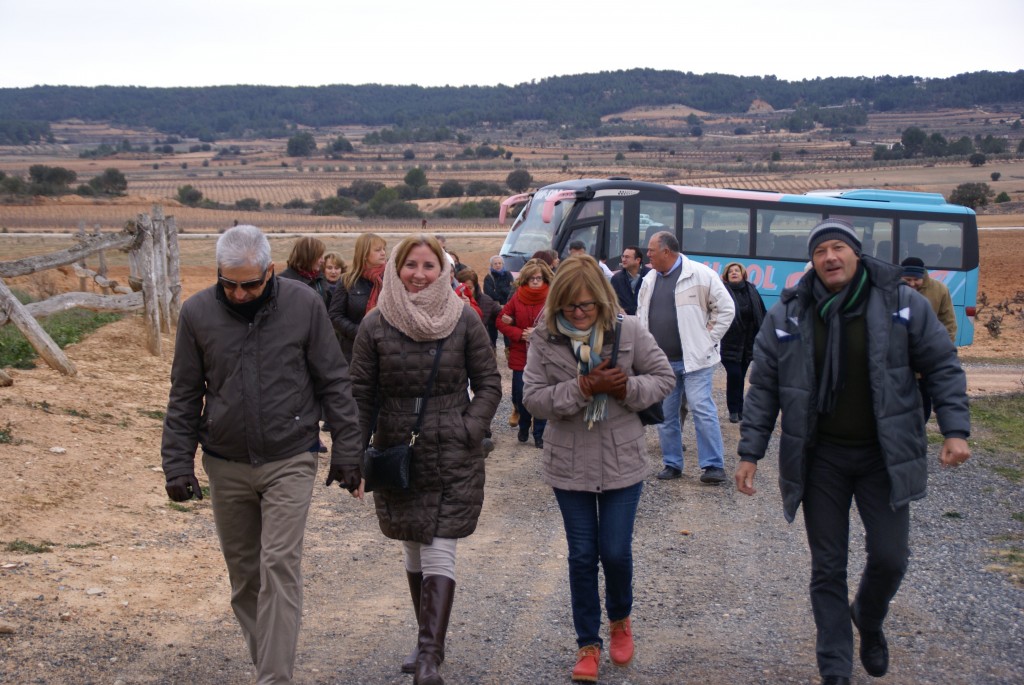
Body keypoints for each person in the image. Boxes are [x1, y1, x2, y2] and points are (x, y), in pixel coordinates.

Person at [735, 219, 971, 685]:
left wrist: (955, 429)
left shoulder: (902, 303)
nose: (829, 257)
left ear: (857, 253)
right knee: (828, 567)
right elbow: (763, 386)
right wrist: (750, 452)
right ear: (812, 261)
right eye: (820, 250)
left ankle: (868, 615)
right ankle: (835, 670)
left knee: (890, 558)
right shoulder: (790, 313)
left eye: (838, 247)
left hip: (883, 456)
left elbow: (942, 364)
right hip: (821, 458)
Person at [161, 224, 363, 684]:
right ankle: (270, 665)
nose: (237, 293)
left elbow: (334, 380)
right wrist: (176, 462)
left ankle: (273, 678)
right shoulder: (195, 313)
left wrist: (348, 451)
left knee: (278, 565)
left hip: (290, 455)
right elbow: (185, 394)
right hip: (225, 461)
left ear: (270, 271)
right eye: (227, 283)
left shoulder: (304, 304)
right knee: (246, 579)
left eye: (250, 283)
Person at [349, 234, 501, 685]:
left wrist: (468, 428)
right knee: (413, 542)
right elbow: (360, 396)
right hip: (398, 449)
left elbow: (490, 383)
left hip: (453, 451)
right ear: (396, 270)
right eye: (409, 265)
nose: (418, 274)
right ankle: (425, 639)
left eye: (428, 266)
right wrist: (354, 455)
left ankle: (430, 657)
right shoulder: (374, 325)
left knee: (438, 544)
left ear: (443, 270)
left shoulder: (464, 319)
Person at [523, 255, 674, 683]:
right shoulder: (544, 339)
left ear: (602, 301)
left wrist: (627, 387)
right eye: (570, 306)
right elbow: (532, 398)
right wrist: (583, 387)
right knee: (582, 556)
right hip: (567, 460)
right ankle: (587, 643)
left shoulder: (628, 330)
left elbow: (664, 378)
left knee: (615, 551)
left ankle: (621, 619)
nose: (578, 313)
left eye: (586, 305)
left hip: (622, 459)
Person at [636, 230, 735, 484]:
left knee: (702, 407)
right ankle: (672, 463)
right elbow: (641, 315)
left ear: (666, 252)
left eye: (651, 250)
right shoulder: (649, 279)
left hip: (696, 360)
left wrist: (708, 340)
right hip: (662, 361)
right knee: (667, 414)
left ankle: (713, 466)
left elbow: (725, 309)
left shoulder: (701, 275)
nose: (647, 255)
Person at [496, 258, 554, 448]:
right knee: (521, 393)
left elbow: (559, 326)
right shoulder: (517, 297)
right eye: (532, 278)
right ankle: (523, 425)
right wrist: (520, 334)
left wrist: (537, 334)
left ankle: (539, 433)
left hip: (544, 354)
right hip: (521, 353)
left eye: (539, 278)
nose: (536, 281)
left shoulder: (552, 299)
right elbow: (500, 321)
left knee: (541, 395)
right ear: (525, 280)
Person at [901, 256, 958, 422]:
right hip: (899, 364)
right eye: (907, 279)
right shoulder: (891, 289)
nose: (912, 284)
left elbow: (948, 324)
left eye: (916, 279)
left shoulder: (940, 290)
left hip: (926, 364)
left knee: (924, 407)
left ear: (923, 276)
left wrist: (940, 353)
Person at [719, 262, 767, 423]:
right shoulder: (722, 291)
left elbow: (762, 311)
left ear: (742, 274)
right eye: (730, 271)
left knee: (741, 376)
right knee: (734, 374)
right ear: (726, 276)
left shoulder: (752, 290)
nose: (734, 273)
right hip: (729, 341)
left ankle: (740, 409)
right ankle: (733, 409)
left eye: (736, 271)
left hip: (748, 343)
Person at [328, 232, 387, 361]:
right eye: (378, 250)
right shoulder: (347, 281)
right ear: (364, 254)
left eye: (383, 249)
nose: (383, 253)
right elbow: (335, 315)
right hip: (354, 350)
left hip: (387, 350)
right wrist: (360, 332)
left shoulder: (393, 279)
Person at [278, 236, 329, 306]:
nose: (323, 261)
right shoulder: (283, 282)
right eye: (319, 257)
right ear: (308, 256)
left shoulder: (320, 278)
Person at [483, 255, 514, 354]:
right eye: (495, 263)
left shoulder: (508, 275)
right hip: (493, 308)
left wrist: (502, 293)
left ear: (503, 264)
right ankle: (493, 351)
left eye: (499, 263)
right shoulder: (489, 277)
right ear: (491, 265)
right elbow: (489, 293)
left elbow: (512, 290)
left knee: (507, 330)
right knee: (492, 330)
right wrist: (502, 295)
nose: (497, 265)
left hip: (507, 307)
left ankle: (508, 351)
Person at [610, 246, 650, 316]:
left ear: (638, 260)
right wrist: (618, 309)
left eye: (627, 257)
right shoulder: (616, 279)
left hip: (646, 320)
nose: (623, 260)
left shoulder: (650, 275)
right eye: (623, 257)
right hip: (625, 322)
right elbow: (611, 300)